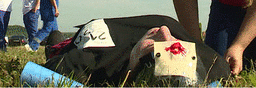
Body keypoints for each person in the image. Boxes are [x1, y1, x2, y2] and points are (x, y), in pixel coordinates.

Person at [42, 15, 230, 86]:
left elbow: (47, 70)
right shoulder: (214, 66)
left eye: (155, 54)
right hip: (124, 25)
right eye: (175, 46)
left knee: (56, 44)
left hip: (92, 33)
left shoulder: (94, 62)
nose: (164, 33)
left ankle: (55, 41)